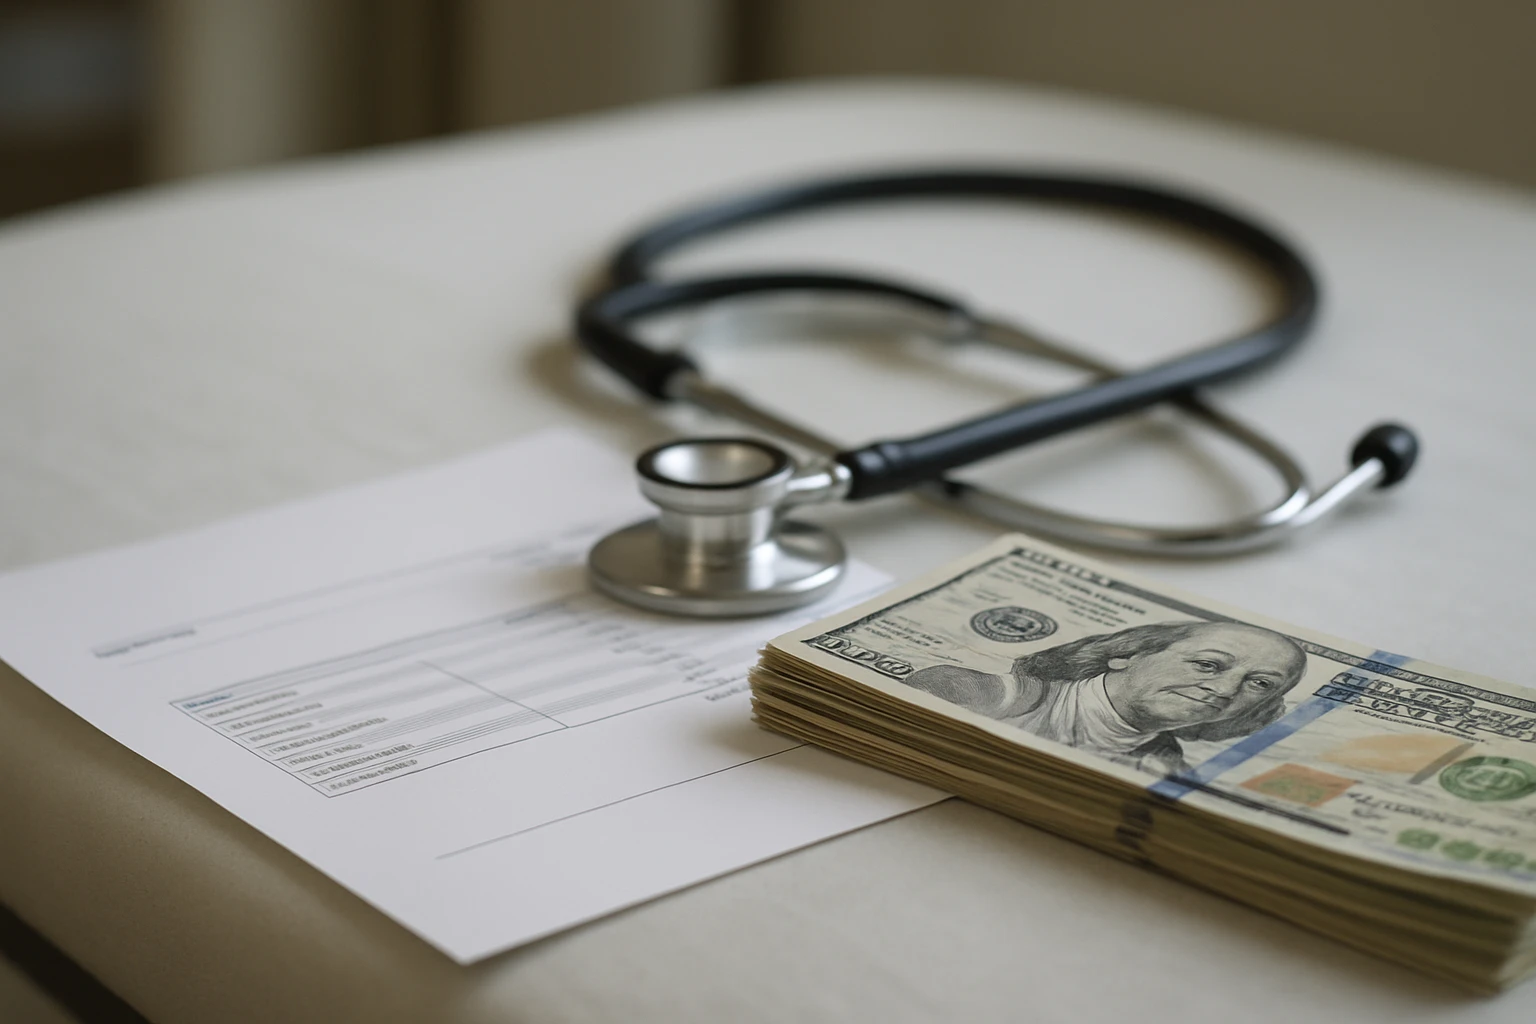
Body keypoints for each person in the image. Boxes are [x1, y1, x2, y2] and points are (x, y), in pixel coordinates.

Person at [902, 620, 1308, 776]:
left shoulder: (1169, 771)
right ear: (1124, 656)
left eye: (1260, 685)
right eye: (1207, 665)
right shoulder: (984, 694)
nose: (1223, 691)